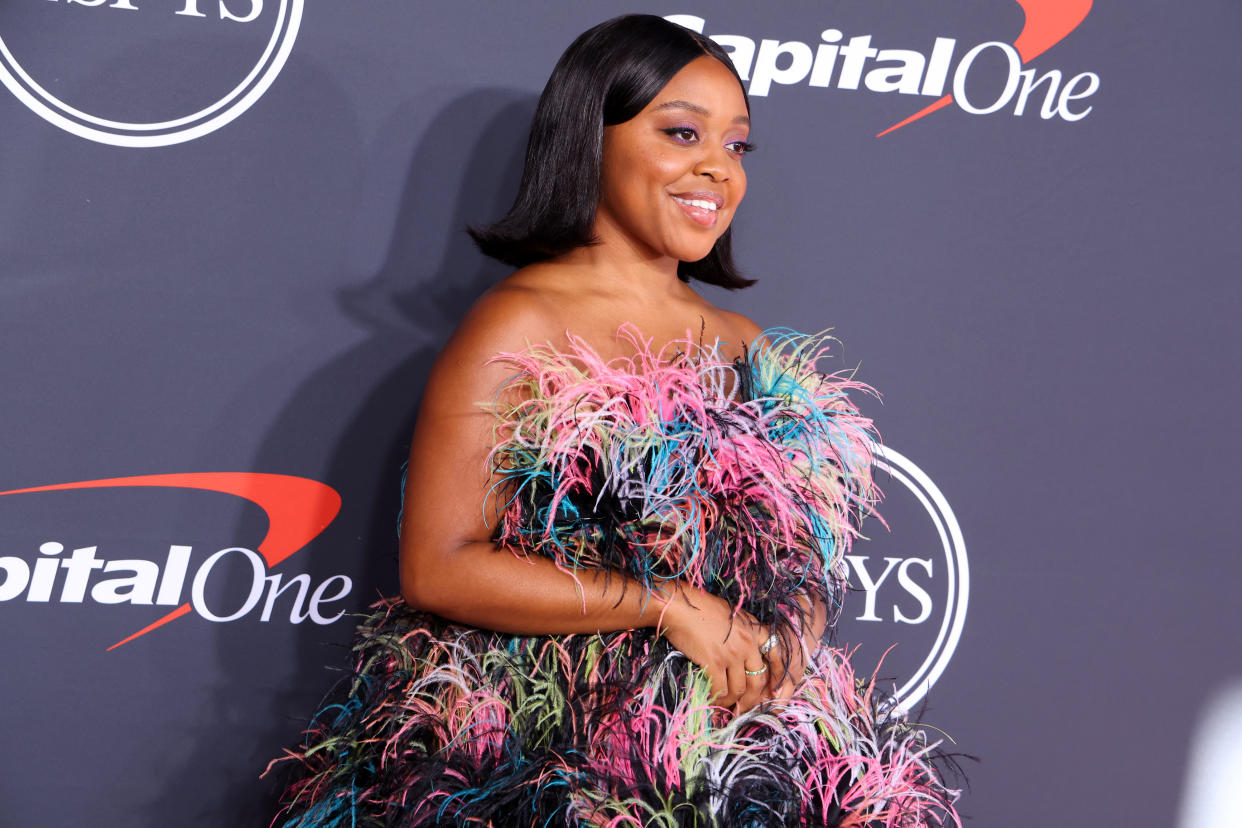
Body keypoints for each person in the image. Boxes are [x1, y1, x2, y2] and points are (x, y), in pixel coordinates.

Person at [268, 14, 961, 827]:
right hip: (554, 763)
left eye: (736, 146)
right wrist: (663, 605)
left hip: (745, 768)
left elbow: (795, 561)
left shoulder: (749, 346)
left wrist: (794, 635)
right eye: (681, 133)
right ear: (590, 141)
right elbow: (440, 567)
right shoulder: (519, 327)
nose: (717, 169)